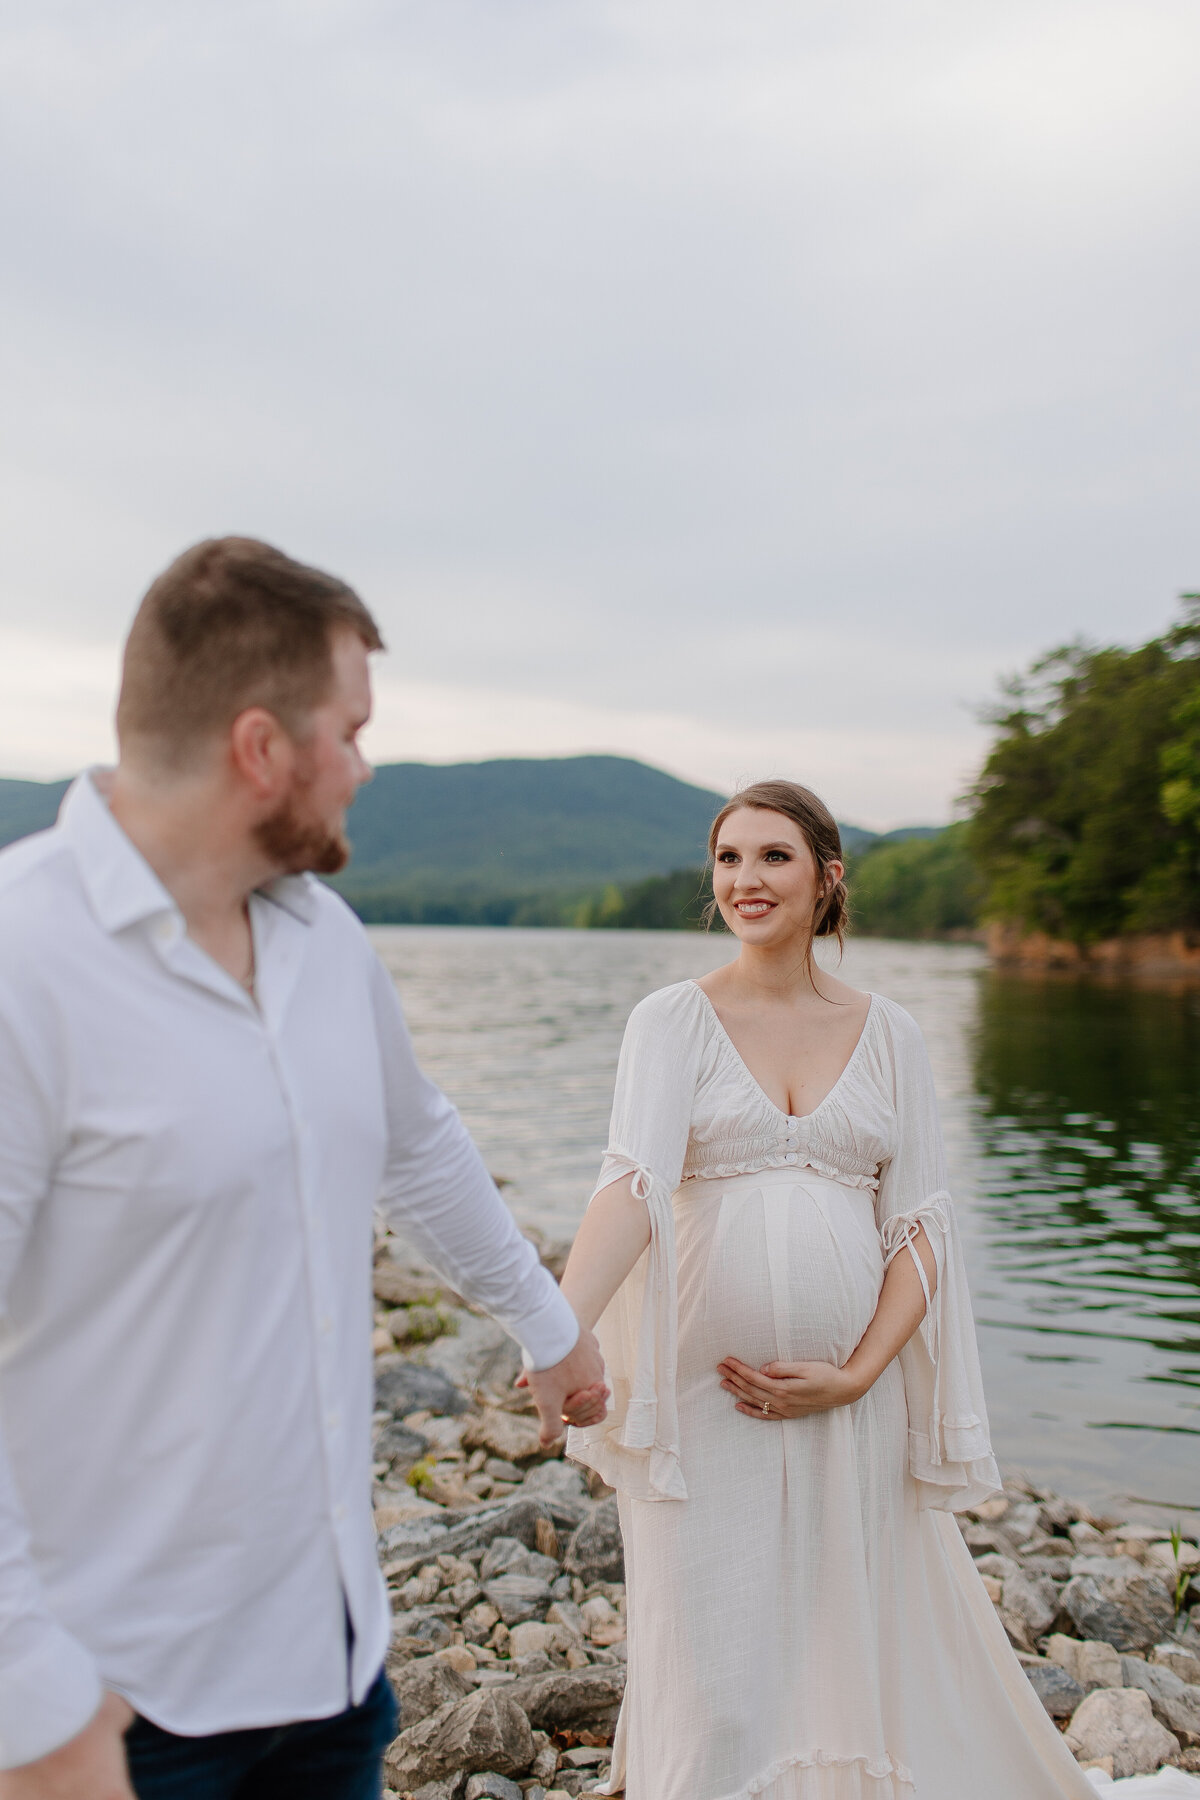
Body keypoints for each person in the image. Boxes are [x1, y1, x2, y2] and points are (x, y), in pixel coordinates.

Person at [0, 538, 605, 1800]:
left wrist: (548, 1323)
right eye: (355, 730)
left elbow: (416, 1140)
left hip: (331, 1667)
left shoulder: (325, 940)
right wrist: (37, 1717)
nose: (370, 767)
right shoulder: (25, 961)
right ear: (262, 748)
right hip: (114, 1703)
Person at [558, 779, 1160, 1800]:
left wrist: (861, 1373)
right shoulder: (672, 1021)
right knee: (706, 1632)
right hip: (711, 1391)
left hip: (852, 1400)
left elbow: (921, 1230)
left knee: (841, 1632)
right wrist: (559, 1330)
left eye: (774, 857)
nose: (746, 879)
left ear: (829, 877)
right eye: (729, 858)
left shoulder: (892, 1034)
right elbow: (631, 1189)